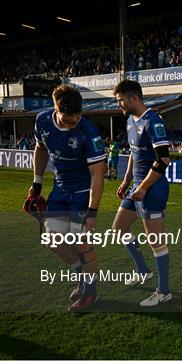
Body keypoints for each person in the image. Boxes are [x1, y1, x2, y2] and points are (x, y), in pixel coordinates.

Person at [30, 84, 106, 311]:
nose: (75, 121)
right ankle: (82, 277)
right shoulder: (42, 121)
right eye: (69, 118)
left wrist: (92, 211)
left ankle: (91, 294)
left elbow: (98, 174)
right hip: (59, 190)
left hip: (83, 194)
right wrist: (37, 183)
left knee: (82, 244)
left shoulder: (88, 132)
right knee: (51, 240)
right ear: (56, 109)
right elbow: (40, 148)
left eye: (78, 116)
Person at [112, 80, 172, 307]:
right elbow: (134, 154)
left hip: (153, 189)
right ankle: (142, 270)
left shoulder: (153, 121)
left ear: (133, 98)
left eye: (121, 100)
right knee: (119, 228)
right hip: (136, 187)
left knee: (155, 241)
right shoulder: (130, 120)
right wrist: (127, 180)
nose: (119, 105)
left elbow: (164, 159)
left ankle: (164, 291)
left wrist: (144, 187)